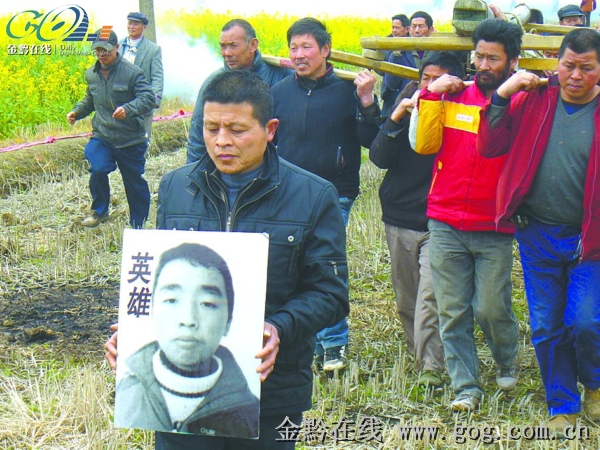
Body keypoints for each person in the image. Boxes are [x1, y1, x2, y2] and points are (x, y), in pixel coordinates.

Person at [105, 69, 349, 449]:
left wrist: (279, 326)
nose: (222, 141)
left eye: (237, 130)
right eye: (211, 128)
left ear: (270, 129)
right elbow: (159, 278)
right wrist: (134, 332)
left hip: (271, 389)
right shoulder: (176, 187)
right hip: (176, 403)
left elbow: (331, 293)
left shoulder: (314, 195)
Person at [477, 27, 600, 435]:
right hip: (537, 233)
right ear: (557, 64)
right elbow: (490, 145)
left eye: (587, 67)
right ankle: (562, 402)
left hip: (590, 238)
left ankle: (595, 383)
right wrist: (501, 96)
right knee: (547, 323)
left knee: (584, 321)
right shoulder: (535, 99)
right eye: (568, 65)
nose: (576, 75)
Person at [413, 18, 522, 411]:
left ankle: (506, 357)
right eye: (479, 56)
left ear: (513, 62)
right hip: (445, 220)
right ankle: (466, 388)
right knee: (452, 309)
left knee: (491, 307)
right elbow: (425, 146)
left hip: (494, 225)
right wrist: (430, 95)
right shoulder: (454, 96)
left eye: (493, 58)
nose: (484, 65)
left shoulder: (520, 101)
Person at [271, 17, 380, 372]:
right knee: (290, 268)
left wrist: (367, 102)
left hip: (335, 194)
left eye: (306, 47)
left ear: (326, 50)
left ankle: (334, 343)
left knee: (325, 266)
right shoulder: (280, 92)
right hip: (287, 194)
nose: (299, 55)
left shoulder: (348, 90)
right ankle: (304, 339)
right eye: (294, 48)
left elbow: (370, 141)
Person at [369, 52, 464, 389]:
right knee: (407, 297)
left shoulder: (461, 112)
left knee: (430, 296)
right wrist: (396, 116)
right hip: (399, 215)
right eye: (426, 78)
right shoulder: (408, 104)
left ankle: (431, 367)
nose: (430, 85)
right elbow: (379, 157)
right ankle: (419, 352)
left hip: (439, 220)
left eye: (437, 79)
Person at [115, 243, 259, 437]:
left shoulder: (250, 413)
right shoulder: (127, 394)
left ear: (228, 320)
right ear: (151, 310)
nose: (188, 320)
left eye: (207, 303)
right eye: (172, 300)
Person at [67, 29, 155, 229]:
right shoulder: (91, 73)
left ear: (117, 48)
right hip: (103, 135)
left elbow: (148, 98)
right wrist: (76, 112)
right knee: (97, 168)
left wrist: (128, 109)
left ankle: (138, 223)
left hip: (130, 139)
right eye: (97, 50)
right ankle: (100, 211)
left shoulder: (132, 72)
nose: (102, 54)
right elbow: (90, 99)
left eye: (106, 49)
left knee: (133, 182)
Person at [186, 19, 292, 164]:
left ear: (253, 45)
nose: (227, 53)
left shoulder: (282, 77)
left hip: (272, 168)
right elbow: (198, 134)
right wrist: (194, 174)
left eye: (233, 46)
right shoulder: (213, 82)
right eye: (223, 47)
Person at [380, 11, 436, 117]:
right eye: (414, 27)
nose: (417, 31)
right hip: (404, 108)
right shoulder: (401, 53)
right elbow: (391, 83)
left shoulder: (437, 52)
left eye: (421, 26)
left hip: (430, 106)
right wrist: (396, 55)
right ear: (409, 29)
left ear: (431, 30)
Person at [119, 12, 164, 139]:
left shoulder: (153, 49)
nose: (131, 26)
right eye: (130, 23)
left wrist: (154, 100)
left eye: (136, 24)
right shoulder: (118, 45)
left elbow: (157, 76)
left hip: (142, 102)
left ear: (144, 27)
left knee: (141, 142)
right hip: (120, 102)